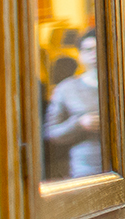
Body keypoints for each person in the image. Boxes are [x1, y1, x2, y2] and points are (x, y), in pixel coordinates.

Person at [45, 30, 104, 178]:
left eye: (99, 49)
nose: (94, 54)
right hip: (86, 169)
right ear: (79, 54)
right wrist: (79, 124)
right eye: (89, 49)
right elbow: (51, 132)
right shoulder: (66, 88)